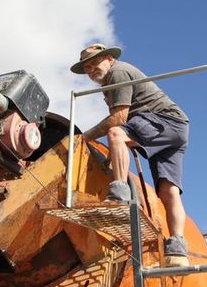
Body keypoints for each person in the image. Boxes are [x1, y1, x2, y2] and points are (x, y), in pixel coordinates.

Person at [70, 43, 190, 267]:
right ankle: (178, 250)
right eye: (86, 67)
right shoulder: (109, 82)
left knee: (115, 132)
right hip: (175, 127)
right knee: (168, 190)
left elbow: (118, 120)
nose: (90, 69)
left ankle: (119, 194)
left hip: (163, 121)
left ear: (109, 59)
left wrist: (83, 138)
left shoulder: (118, 73)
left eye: (94, 62)